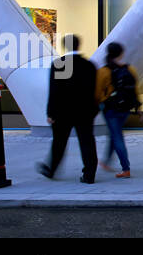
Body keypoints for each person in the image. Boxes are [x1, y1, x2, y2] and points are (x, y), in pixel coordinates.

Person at [36, 34, 99, 184]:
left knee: (59, 142)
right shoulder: (89, 65)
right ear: (79, 45)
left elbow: (54, 91)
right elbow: (93, 90)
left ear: (65, 46)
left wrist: (50, 112)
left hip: (62, 112)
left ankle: (51, 169)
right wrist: (94, 110)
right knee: (87, 142)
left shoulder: (58, 64)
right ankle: (89, 174)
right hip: (84, 111)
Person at [94, 41, 139, 178]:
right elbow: (134, 89)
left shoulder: (103, 71)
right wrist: (138, 107)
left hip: (110, 109)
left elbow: (97, 92)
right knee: (114, 133)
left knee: (117, 135)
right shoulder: (129, 69)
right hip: (125, 108)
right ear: (121, 54)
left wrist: (99, 103)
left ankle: (126, 168)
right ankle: (106, 161)